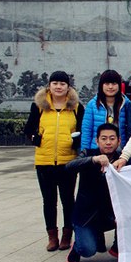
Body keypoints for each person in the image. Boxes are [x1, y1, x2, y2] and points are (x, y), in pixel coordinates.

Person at [23, 71, 85, 252]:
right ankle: (52, 236)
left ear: (68, 87)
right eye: (55, 83)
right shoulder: (39, 105)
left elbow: (82, 129)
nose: (58, 87)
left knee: (68, 200)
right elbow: (28, 129)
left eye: (62, 84)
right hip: (44, 160)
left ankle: (67, 235)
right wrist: (36, 139)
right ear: (49, 86)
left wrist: (76, 142)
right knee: (49, 201)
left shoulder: (76, 107)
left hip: (68, 161)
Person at [65, 123, 122, 262]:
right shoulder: (88, 153)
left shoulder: (122, 159)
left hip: (110, 213)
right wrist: (93, 160)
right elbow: (69, 167)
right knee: (88, 250)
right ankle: (77, 246)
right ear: (97, 141)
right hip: (86, 214)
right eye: (104, 138)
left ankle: (117, 246)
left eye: (112, 138)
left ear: (119, 141)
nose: (108, 142)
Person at [81, 70, 131, 151]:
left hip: (120, 151)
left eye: (114, 84)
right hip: (97, 150)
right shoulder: (92, 105)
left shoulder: (126, 104)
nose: (110, 87)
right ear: (101, 85)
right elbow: (86, 131)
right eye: (107, 84)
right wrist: (85, 152)